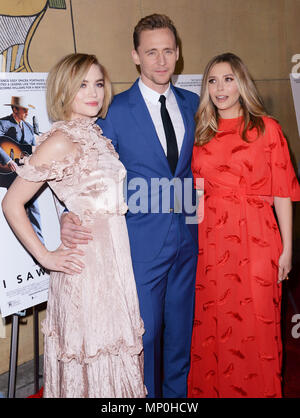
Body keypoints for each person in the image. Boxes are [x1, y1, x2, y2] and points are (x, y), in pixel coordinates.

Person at [60, 14, 199, 398]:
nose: (160, 60)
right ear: (135, 56)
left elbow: (198, 171)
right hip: (138, 246)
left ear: (178, 53)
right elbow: (85, 172)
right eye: (150, 52)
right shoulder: (114, 111)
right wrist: (66, 216)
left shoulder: (194, 104)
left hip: (188, 240)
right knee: (145, 339)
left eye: (167, 51)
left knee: (180, 340)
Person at [2, 53, 146, 398]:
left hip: (113, 265)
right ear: (65, 89)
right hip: (86, 272)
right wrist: (45, 257)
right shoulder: (60, 140)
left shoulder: (93, 134)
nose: (93, 92)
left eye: (98, 83)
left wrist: (66, 212)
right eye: (82, 84)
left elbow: (67, 189)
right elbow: (12, 202)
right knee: (92, 358)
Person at [187, 52, 300, 398]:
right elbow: (192, 192)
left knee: (258, 326)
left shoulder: (267, 129)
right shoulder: (201, 133)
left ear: (242, 83)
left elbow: (282, 191)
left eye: (229, 79)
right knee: (213, 326)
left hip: (257, 239)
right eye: (213, 81)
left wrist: (287, 249)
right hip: (210, 244)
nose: (221, 88)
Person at [0, 96, 43, 243]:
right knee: (18, 210)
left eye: (27, 110)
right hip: (8, 172)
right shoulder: (3, 123)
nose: (27, 112)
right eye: (24, 109)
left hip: (25, 172)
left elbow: (33, 150)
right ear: (14, 109)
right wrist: (8, 159)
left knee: (33, 208)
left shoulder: (30, 128)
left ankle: (39, 244)